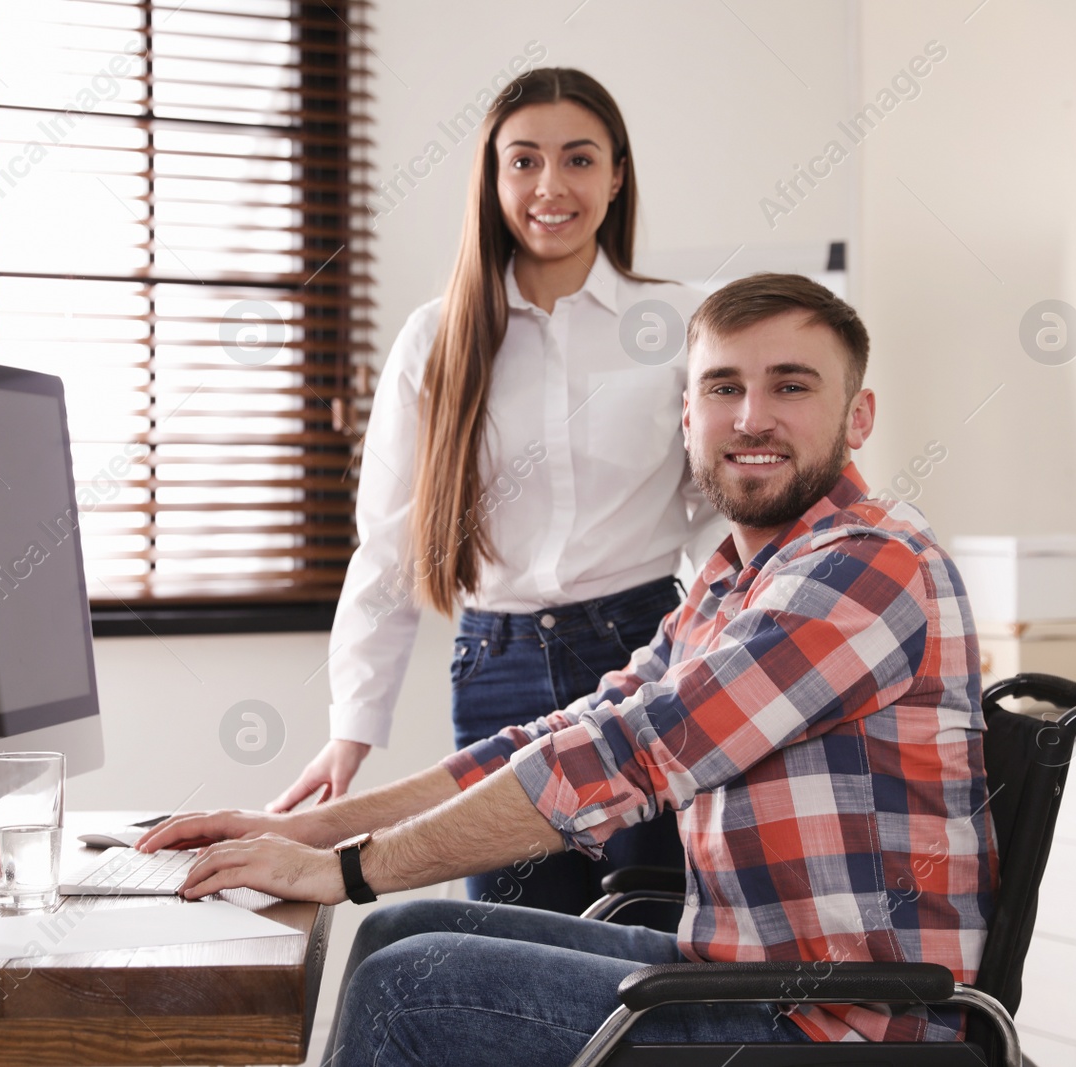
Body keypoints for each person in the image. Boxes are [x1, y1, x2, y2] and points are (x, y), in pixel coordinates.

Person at [139, 273, 998, 1061]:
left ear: (859, 417)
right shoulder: (737, 577)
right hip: (747, 970)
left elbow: (630, 754)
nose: (751, 417)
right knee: (392, 936)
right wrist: (313, 831)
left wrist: (347, 870)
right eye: (723, 386)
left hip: (836, 1021)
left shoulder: (868, 566)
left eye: (792, 385)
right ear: (688, 415)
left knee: (410, 988)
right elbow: (572, 729)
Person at [268, 67, 721, 920]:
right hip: (495, 673)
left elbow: (723, 509)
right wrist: (350, 729)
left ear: (616, 175)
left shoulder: (683, 325)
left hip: (642, 656)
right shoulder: (436, 336)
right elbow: (391, 545)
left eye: (579, 159)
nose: (551, 186)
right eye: (525, 162)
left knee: (650, 936)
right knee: (516, 950)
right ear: (493, 176)